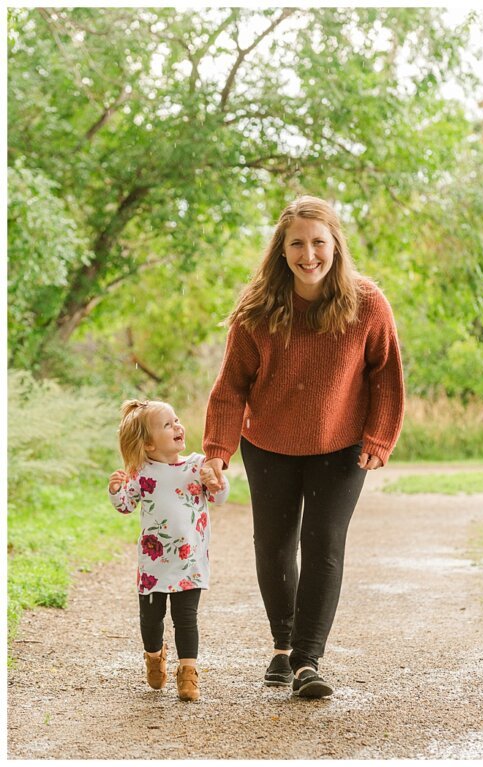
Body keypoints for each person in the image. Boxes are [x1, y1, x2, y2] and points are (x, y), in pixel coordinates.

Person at [201, 195, 405, 699]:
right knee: (273, 548)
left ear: (335, 244)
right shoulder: (257, 309)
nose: (308, 254)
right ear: (282, 249)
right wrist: (216, 452)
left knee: (324, 545)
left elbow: (386, 375)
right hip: (269, 443)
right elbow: (231, 387)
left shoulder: (366, 303)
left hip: (341, 445)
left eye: (319, 242)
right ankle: (282, 644)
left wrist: (380, 436)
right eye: (297, 243)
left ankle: (307, 661)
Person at [108, 399, 230, 702]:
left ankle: (188, 672)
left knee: (186, 617)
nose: (178, 426)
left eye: (177, 420)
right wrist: (114, 491)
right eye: (168, 424)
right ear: (148, 444)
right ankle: (154, 656)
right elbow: (126, 505)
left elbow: (220, 497)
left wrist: (216, 482)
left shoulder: (197, 465)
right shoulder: (141, 473)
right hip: (153, 564)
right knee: (151, 619)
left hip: (190, 561)